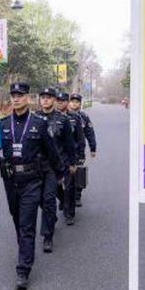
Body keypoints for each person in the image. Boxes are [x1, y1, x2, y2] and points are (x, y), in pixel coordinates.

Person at [0, 82, 63, 290]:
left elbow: (52, 152)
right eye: (13, 95)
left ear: (28, 97)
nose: (16, 98)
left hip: (32, 181)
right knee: (17, 219)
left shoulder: (39, 123)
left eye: (20, 95)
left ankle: (23, 269)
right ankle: (25, 249)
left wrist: (60, 174)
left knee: (27, 224)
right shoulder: (3, 124)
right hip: (11, 180)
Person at [35, 86, 77, 253]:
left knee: (49, 200)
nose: (45, 100)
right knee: (40, 200)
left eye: (48, 97)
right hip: (36, 167)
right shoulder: (33, 118)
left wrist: (73, 163)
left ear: (54, 100)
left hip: (55, 166)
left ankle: (48, 236)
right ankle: (53, 214)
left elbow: (69, 143)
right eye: (42, 97)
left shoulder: (62, 119)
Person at [55, 91, 84, 224]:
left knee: (69, 186)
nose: (59, 103)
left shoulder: (74, 118)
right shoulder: (51, 117)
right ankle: (62, 199)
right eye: (58, 100)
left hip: (70, 157)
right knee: (55, 186)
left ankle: (69, 214)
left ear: (67, 102)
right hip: (55, 157)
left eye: (62, 101)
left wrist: (80, 157)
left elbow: (80, 138)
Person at [69, 93, 97, 207]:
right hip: (65, 151)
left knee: (78, 173)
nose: (74, 104)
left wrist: (93, 148)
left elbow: (90, 133)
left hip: (78, 150)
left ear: (80, 104)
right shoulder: (64, 115)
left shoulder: (84, 117)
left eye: (77, 102)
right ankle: (65, 197)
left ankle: (77, 196)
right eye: (72, 101)